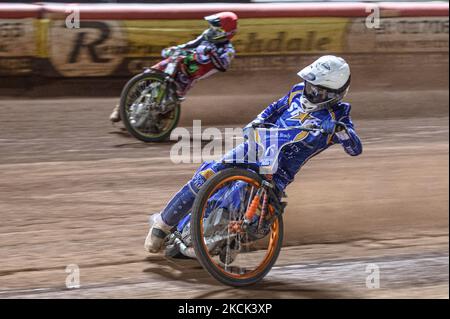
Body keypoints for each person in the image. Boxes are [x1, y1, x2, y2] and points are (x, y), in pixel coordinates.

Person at [144, 55, 363, 253]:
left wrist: (342, 132)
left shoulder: (339, 116)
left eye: (318, 90)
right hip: (256, 146)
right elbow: (274, 108)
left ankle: (215, 242)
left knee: (243, 206)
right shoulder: (297, 91)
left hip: (278, 172)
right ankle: (162, 225)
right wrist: (257, 122)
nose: (310, 92)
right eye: (310, 85)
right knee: (208, 175)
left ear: (334, 94)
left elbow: (355, 149)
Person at [109, 11, 238, 123]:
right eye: (212, 26)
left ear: (225, 32)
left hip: (192, 74)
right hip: (182, 60)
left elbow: (223, 66)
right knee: (150, 74)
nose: (211, 29)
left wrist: (212, 52)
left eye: (216, 28)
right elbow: (192, 44)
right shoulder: (207, 35)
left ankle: (157, 124)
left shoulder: (229, 50)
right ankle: (120, 108)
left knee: (171, 102)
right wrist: (176, 48)